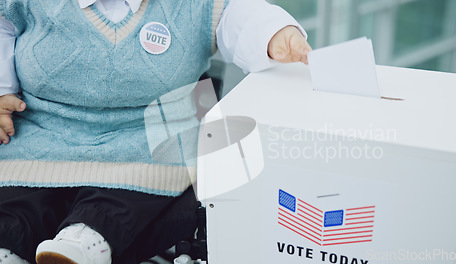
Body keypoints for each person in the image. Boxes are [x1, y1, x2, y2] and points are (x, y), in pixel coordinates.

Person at [0, 0, 311, 263]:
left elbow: (238, 15)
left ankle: (88, 238)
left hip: (149, 134)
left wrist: (273, 33)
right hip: (44, 130)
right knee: (20, 196)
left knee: (134, 195)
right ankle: (9, 241)